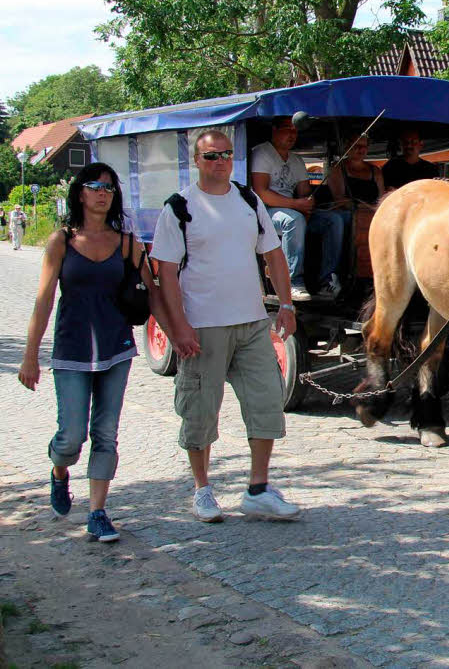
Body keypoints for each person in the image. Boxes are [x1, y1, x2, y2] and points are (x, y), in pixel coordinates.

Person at [151, 130, 302, 522]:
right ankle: (202, 489)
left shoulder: (249, 201)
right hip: (202, 327)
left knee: (267, 403)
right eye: (211, 156)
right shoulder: (180, 207)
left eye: (226, 155)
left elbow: (273, 255)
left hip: (252, 323)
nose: (220, 162)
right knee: (200, 412)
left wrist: (285, 304)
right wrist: (178, 327)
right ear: (197, 161)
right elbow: (165, 273)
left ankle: (258, 488)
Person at [18, 164, 167, 542]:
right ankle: (59, 471)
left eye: (109, 188)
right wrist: (30, 355)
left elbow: (152, 293)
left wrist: (177, 333)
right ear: (80, 194)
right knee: (70, 437)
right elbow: (44, 300)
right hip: (72, 350)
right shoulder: (61, 241)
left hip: (116, 349)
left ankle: (97, 511)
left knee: (105, 433)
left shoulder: (128, 243)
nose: (103, 193)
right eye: (95, 186)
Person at [251, 116, 344, 301]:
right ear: (274, 130)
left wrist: (308, 204)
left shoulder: (296, 160)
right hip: (265, 213)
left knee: (334, 220)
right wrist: (297, 206)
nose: (292, 134)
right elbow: (261, 193)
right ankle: (293, 282)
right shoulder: (262, 153)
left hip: (293, 210)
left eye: (294, 130)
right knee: (293, 219)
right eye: (287, 129)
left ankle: (327, 280)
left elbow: (304, 191)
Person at [327, 133, 386, 207]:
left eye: (364, 146)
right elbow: (339, 199)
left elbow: (381, 198)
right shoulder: (337, 168)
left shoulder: (376, 171)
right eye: (356, 145)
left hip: (372, 213)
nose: (361, 149)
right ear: (347, 147)